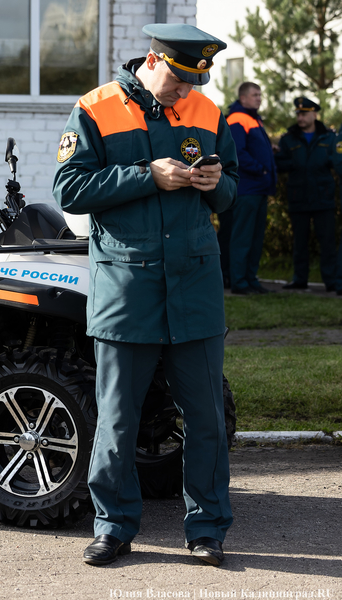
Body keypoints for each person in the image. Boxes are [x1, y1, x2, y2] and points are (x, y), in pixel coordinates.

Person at [53, 23, 237, 567]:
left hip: (196, 289)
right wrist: (144, 175)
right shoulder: (95, 107)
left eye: (194, 82)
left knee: (204, 419)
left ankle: (207, 529)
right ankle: (112, 528)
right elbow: (70, 189)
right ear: (154, 60)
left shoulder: (206, 111)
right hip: (126, 289)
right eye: (180, 80)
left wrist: (215, 185)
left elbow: (230, 191)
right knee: (117, 418)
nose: (187, 94)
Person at [275, 97, 338, 292]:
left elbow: (337, 161)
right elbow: (278, 163)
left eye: (304, 114)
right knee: (299, 242)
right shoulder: (289, 138)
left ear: (314, 114)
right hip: (298, 196)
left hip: (323, 197)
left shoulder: (329, 137)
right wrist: (292, 164)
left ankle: (331, 280)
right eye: (298, 114)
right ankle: (299, 279)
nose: (300, 118)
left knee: (327, 242)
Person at [226, 82, 277, 294]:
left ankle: (251, 278)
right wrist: (261, 170)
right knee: (243, 237)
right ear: (243, 97)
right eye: (255, 95)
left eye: (260, 94)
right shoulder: (237, 119)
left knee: (256, 238)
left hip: (260, 188)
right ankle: (239, 281)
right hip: (247, 189)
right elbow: (237, 152)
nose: (259, 98)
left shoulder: (254, 119)